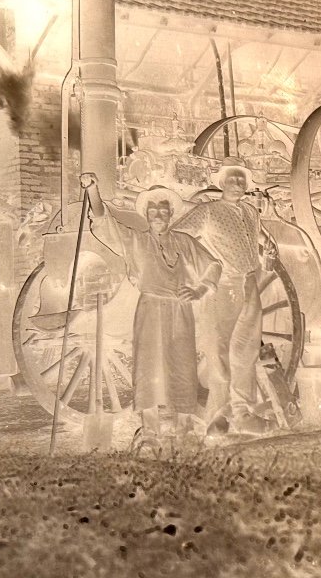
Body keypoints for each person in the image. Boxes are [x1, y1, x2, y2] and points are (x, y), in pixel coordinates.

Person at [82, 174, 222, 449]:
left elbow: (214, 265)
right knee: (148, 367)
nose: (159, 215)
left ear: (171, 214)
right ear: (147, 215)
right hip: (149, 310)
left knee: (183, 366)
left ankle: (183, 432)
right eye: (153, 211)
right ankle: (150, 432)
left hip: (181, 310)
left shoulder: (185, 242)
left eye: (163, 210)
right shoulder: (137, 241)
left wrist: (200, 290)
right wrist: (93, 191)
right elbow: (105, 223)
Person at [172, 157, 279, 435]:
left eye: (241, 179)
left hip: (249, 284)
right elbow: (178, 238)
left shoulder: (250, 212)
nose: (237, 183)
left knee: (246, 352)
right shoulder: (207, 211)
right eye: (231, 179)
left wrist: (268, 248)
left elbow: (260, 238)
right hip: (221, 288)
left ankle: (242, 415)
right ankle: (216, 421)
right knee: (219, 354)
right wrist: (203, 268)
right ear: (221, 183)